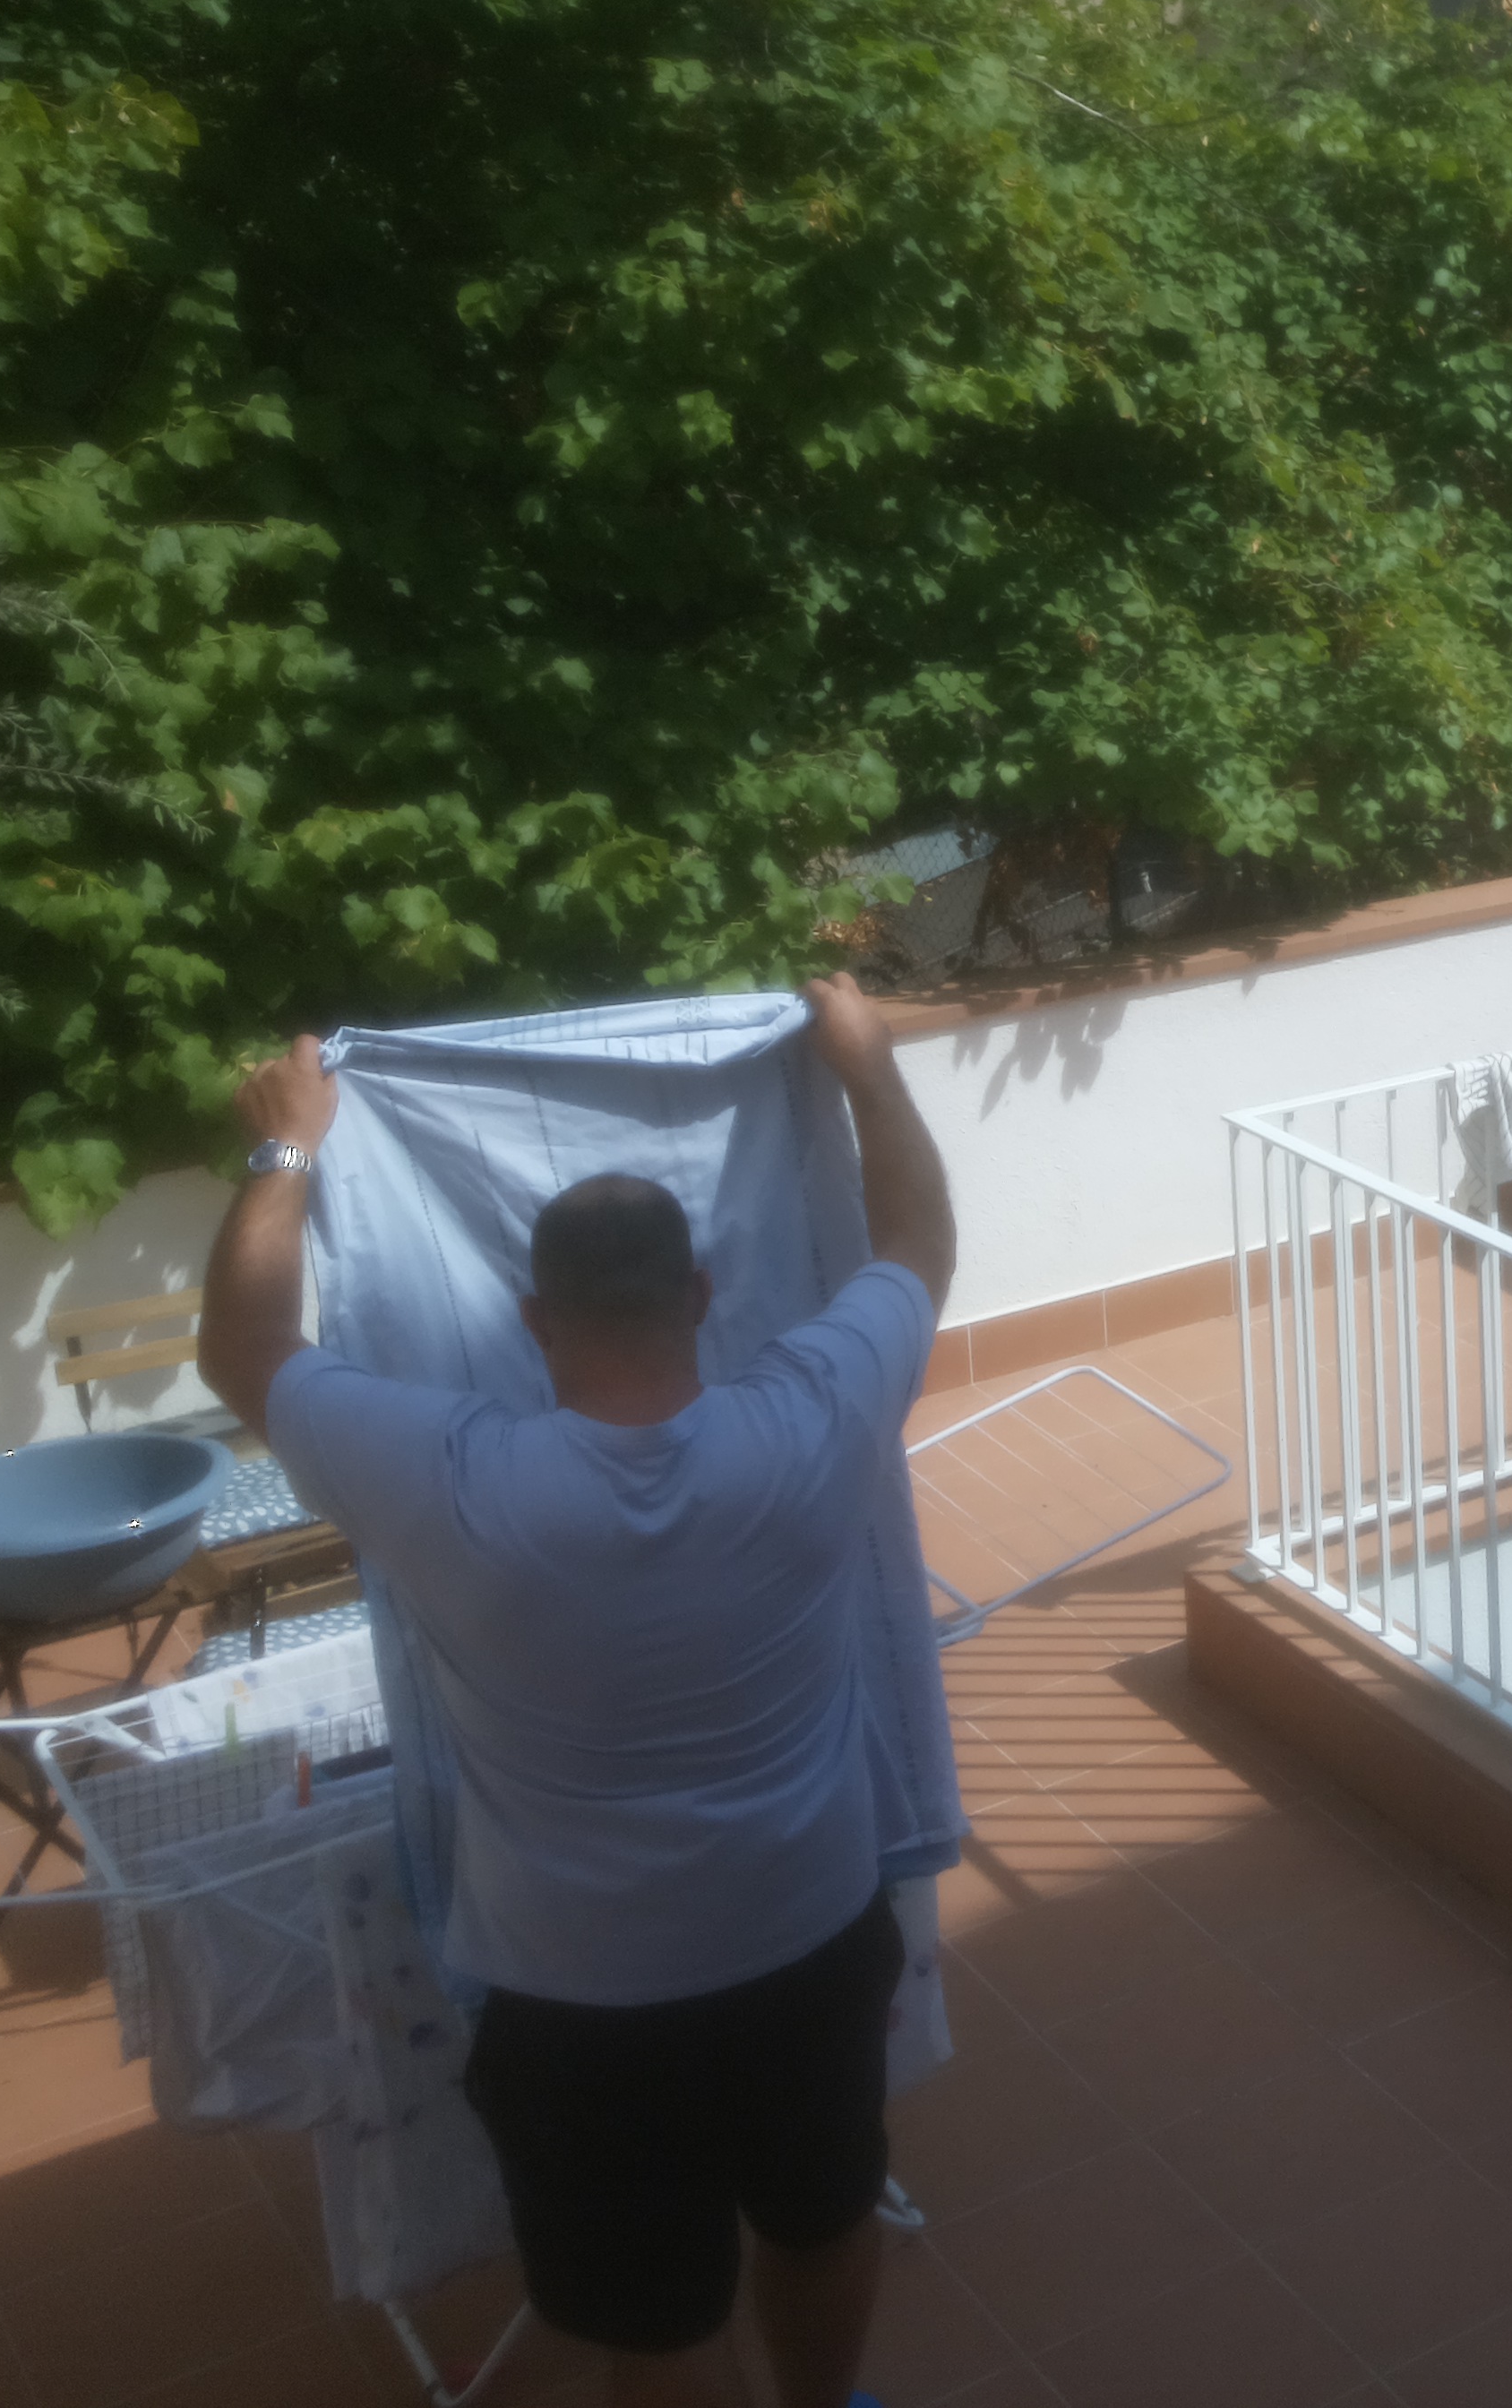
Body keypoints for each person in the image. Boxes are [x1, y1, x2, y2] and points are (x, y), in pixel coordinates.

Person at [202, 973, 955, 2408]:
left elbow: (244, 1352)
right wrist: (864, 1065)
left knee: (658, 2319)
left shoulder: (453, 1481)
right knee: (822, 2215)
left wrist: (286, 1145)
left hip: (584, 1998)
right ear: (703, 1297)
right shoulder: (810, 1419)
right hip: (808, 1931)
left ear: (534, 1318)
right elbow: (918, 1244)